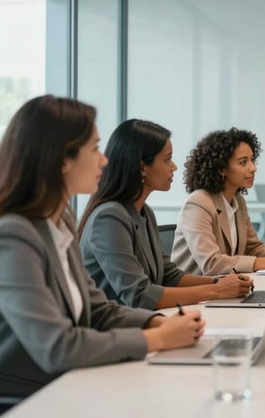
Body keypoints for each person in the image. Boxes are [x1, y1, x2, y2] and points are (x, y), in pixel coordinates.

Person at [0, 96, 203, 403]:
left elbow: (98, 310)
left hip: (70, 383)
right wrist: (156, 338)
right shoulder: (13, 236)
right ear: (61, 160)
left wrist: (157, 322)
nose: (104, 159)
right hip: (30, 399)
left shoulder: (57, 225)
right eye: (94, 149)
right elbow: (58, 347)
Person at [79, 120, 252, 310]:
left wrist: (222, 283)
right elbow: (139, 295)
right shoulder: (109, 218)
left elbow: (168, 276)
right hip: (114, 331)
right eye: (167, 159)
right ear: (143, 167)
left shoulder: (144, 212)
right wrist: (218, 291)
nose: (174, 167)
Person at [172, 128, 265, 275]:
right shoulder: (198, 203)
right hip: (196, 293)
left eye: (252, 160)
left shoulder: (238, 201)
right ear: (222, 168)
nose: (253, 168)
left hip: (226, 288)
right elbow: (211, 264)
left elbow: (252, 247)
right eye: (243, 162)